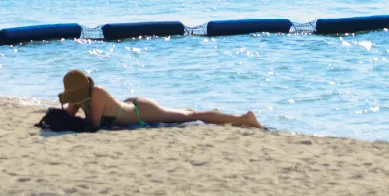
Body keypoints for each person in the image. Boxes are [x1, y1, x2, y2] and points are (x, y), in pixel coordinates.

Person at [57, 69, 261, 129]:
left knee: (192, 116)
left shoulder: (97, 93)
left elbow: (93, 125)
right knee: (185, 114)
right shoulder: (80, 99)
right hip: (130, 107)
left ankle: (244, 119)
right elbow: (68, 118)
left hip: (141, 111)